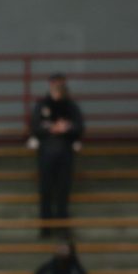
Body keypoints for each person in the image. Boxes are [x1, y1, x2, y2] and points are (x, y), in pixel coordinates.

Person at [30, 74, 85, 228]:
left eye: (60, 84)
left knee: (63, 190)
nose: (57, 87)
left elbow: (79, 128)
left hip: (65, 153)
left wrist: (66, 128)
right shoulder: (41, 105)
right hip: (46, 152)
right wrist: (52, 128)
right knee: (45, 190)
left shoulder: (71, 106)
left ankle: (62, 226)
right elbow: (35, 127)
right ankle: (45, 227)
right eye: (54, 84)